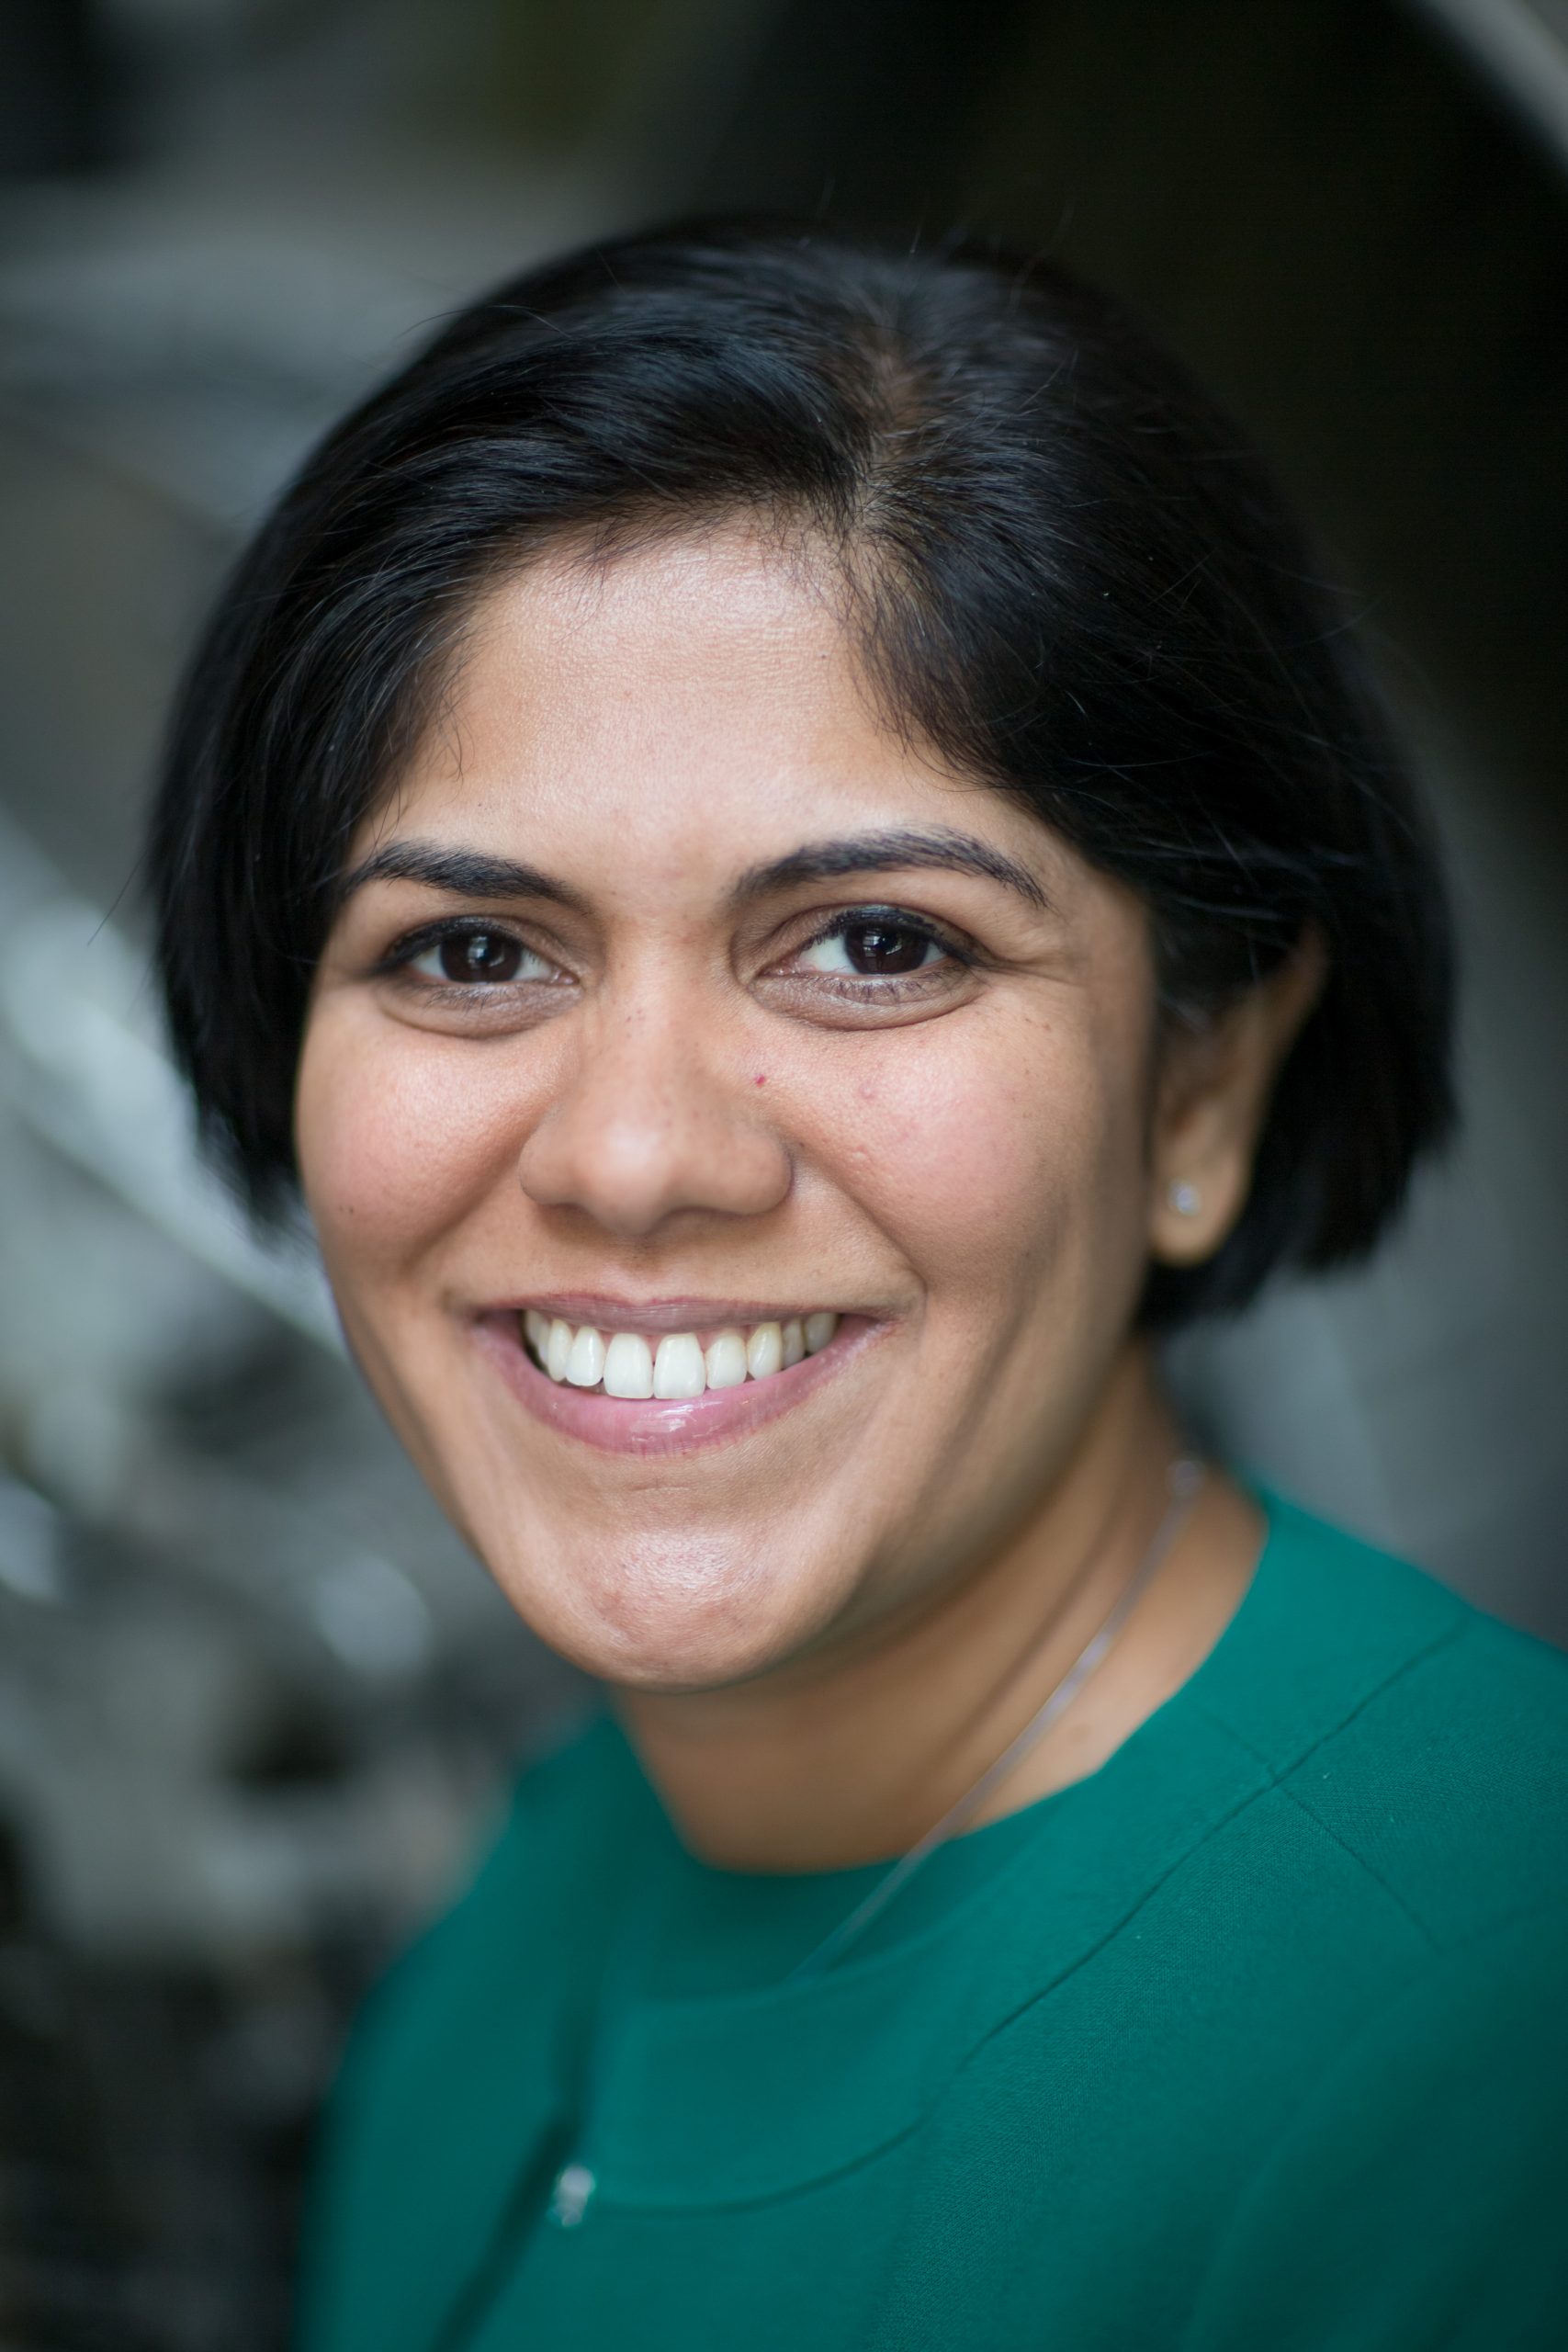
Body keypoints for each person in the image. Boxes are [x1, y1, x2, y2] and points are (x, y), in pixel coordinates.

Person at [148, 220, 1567, 2350]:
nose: (633, 1154)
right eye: (469, 951)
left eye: (875, 943)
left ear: (1197, 1081)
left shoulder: (1481, 2048)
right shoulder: (572, 1856)